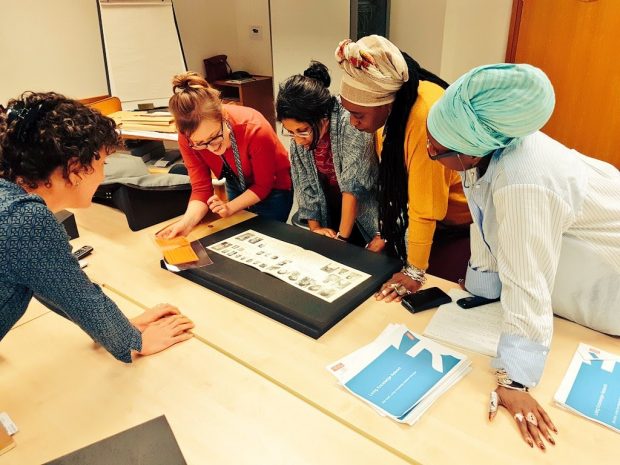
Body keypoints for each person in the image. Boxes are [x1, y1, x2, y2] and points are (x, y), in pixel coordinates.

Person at [426, 63, 620, 450]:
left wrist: (515, 378)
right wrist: (481, 291)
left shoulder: (523, 181)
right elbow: (485, 224)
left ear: (466, 151)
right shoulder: (485, 148)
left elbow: (527, 274)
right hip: (568, 254)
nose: (430, 151)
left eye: (436, 150)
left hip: (607, 267)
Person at [0, 92, 195, 362]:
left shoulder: (8, 199)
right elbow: (78, 295)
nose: (104, 173)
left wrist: (119, 328)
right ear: (75, 168)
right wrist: (134, 341)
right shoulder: (26, 219)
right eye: (101, 163)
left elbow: (51, 284)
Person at [334, 35, 472, 301]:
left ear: (384, 103)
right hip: (432, 218)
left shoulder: (425, 117)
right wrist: (385, 232)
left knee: (441, 290)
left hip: (463, 223)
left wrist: (416, 272)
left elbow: (425, 206)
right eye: (349, 112)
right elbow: (394, 183)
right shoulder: (389, 114)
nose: (352, 123)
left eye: (359, 115)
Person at [159, 72, 293, 239]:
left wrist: (230, 207)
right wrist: (185, 223)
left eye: (215, 137)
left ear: (223, 117)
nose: (212, 148)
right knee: (240, 237)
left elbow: (262, 186)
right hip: (235, 180)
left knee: (268, 239)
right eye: (201, 143)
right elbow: (201, 189)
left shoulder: (254, 128)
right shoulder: (187, 137)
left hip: (274, 188)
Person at [276, 61, 378, 246]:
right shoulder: (299, 137)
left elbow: (353, 188)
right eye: (290, 132)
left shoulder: (349, 123)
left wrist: (342, 240)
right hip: (330, 204)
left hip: (364, 209)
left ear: (323, 117)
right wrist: (316, 230)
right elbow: (305, 186)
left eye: (303, 130)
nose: (298, 139)